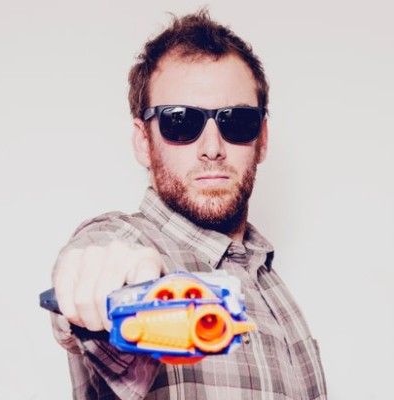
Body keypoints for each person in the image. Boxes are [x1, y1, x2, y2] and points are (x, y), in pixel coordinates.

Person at [50, 9, 327, 399]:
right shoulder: (125, 241)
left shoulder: (272, 286)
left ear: (262, 138)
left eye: (237, 121)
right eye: (180, 121)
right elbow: (93, 264)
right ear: (143, 141)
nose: (212, 148)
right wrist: (96, 284)